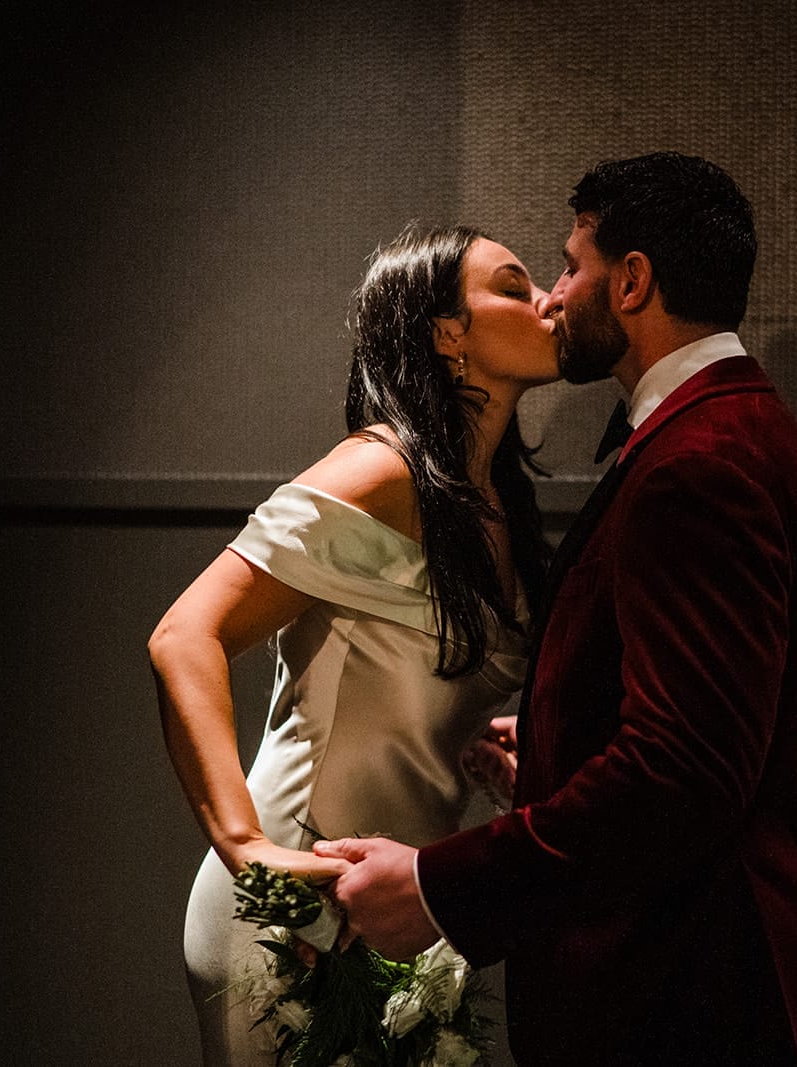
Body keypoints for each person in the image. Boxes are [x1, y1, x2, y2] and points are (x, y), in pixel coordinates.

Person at [318, 153, 797, 1066]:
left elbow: (682, 775)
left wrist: (440, 886)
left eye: (568, 267)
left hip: (678, 995)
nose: (554, 298)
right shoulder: (733, 429)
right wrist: (561, 743)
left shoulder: (700, 463)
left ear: (632, 281)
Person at [148, 224, 559, 1065]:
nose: (550, 301)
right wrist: (247, 849)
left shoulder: (501, 503)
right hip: (294, 910)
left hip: (412, 913)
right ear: (447, 334)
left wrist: (482, 751)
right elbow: (184, 633)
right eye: (515, 287)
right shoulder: (382, 470)